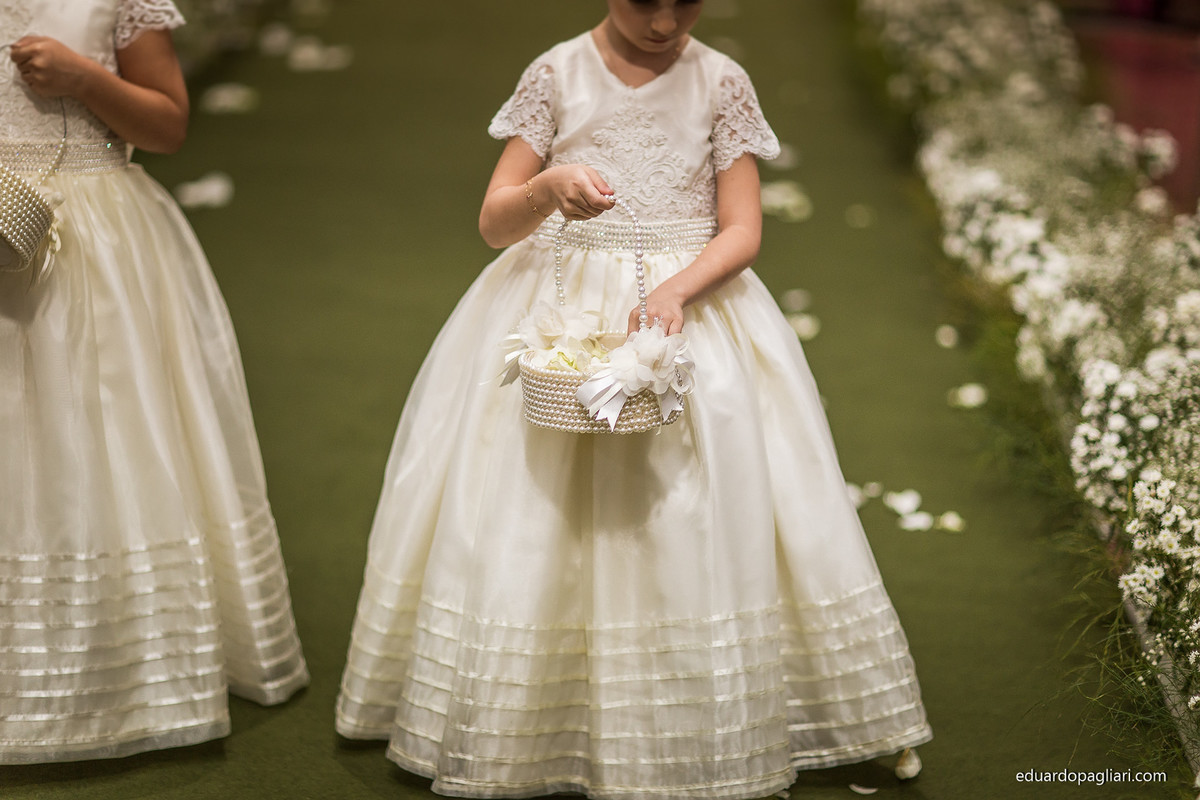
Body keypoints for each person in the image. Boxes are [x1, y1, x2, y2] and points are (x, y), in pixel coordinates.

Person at [336, 1, 931, 796]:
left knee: (696, 510)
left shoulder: (720, 81)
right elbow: (493, 221)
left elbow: (742, 227)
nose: (663, 21)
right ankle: (535, 718)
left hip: (687, 305)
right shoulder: (557, 74)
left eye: (685, 2)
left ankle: (709, 713)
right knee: (540, 515)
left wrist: (679, 291)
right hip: (564, 304)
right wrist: (547, 187)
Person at [0, 0, 308, 763]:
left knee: (98, 441)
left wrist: (80, 77)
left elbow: (166, 125)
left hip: (90, 232)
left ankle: (119, 669)